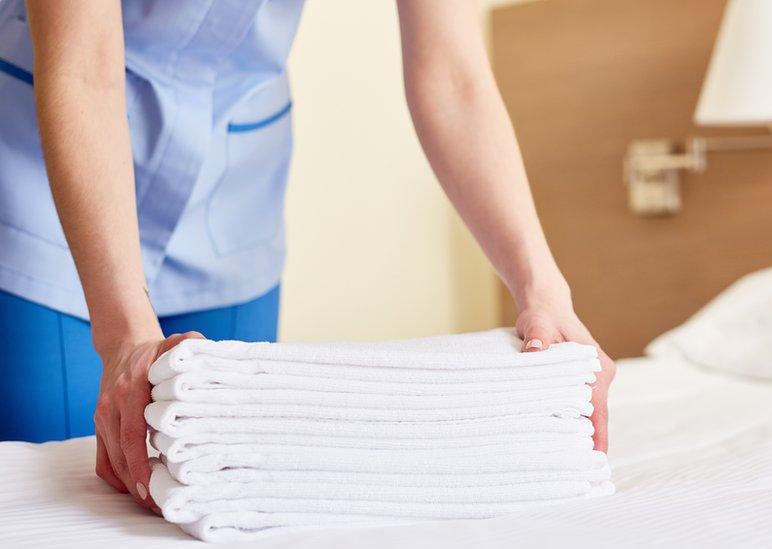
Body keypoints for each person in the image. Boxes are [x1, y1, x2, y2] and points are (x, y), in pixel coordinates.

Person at [0, 0, 615, 512]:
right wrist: (123, 339)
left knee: (233, 490)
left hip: (232, 188)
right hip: (48, 180)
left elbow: (455, 77)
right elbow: (83, 67)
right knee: (76, 490)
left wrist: (544, 292)